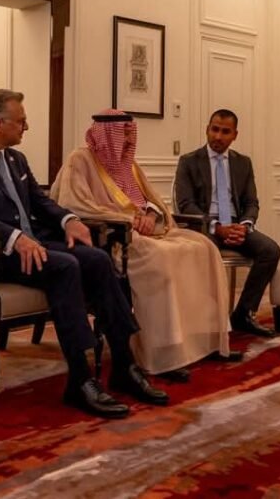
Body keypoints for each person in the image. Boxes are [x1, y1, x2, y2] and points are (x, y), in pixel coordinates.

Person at [0, 89, 169, 419]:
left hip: (36, 242)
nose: (27, 127)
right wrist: (14, 237)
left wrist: (69, 220)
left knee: (97, 259)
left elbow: (40, 201)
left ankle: (124, 364)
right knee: (65, 266)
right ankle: (80, 378)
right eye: (21, 121)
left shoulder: (16, 159)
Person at [51, 110, 233, 377]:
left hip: (145, 231)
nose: (127, 139)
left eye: (129, 133)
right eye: (122, 133)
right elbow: (73, 205)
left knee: (203, 247)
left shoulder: (129, 164)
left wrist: (150, 214)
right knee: (161, 258)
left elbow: (150, 200)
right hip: (114, 239)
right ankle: (163, 352)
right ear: (106, 134)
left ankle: (201, 341)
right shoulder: (80, 160)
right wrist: (128, 219)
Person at [175, 109, 280, 337]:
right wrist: (217, 227)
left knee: (270, 250)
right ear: (207, 129)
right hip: (204, 226)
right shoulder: (189, 161)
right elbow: (186, 205)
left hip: (235, 224)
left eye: (225, 132)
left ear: (235, 135)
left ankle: (243, 314)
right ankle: (208, 319)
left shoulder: (243, 163)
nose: (218, 136)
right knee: (206, 250)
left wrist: (244, 226)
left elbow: (251, 202)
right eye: (214, 130)